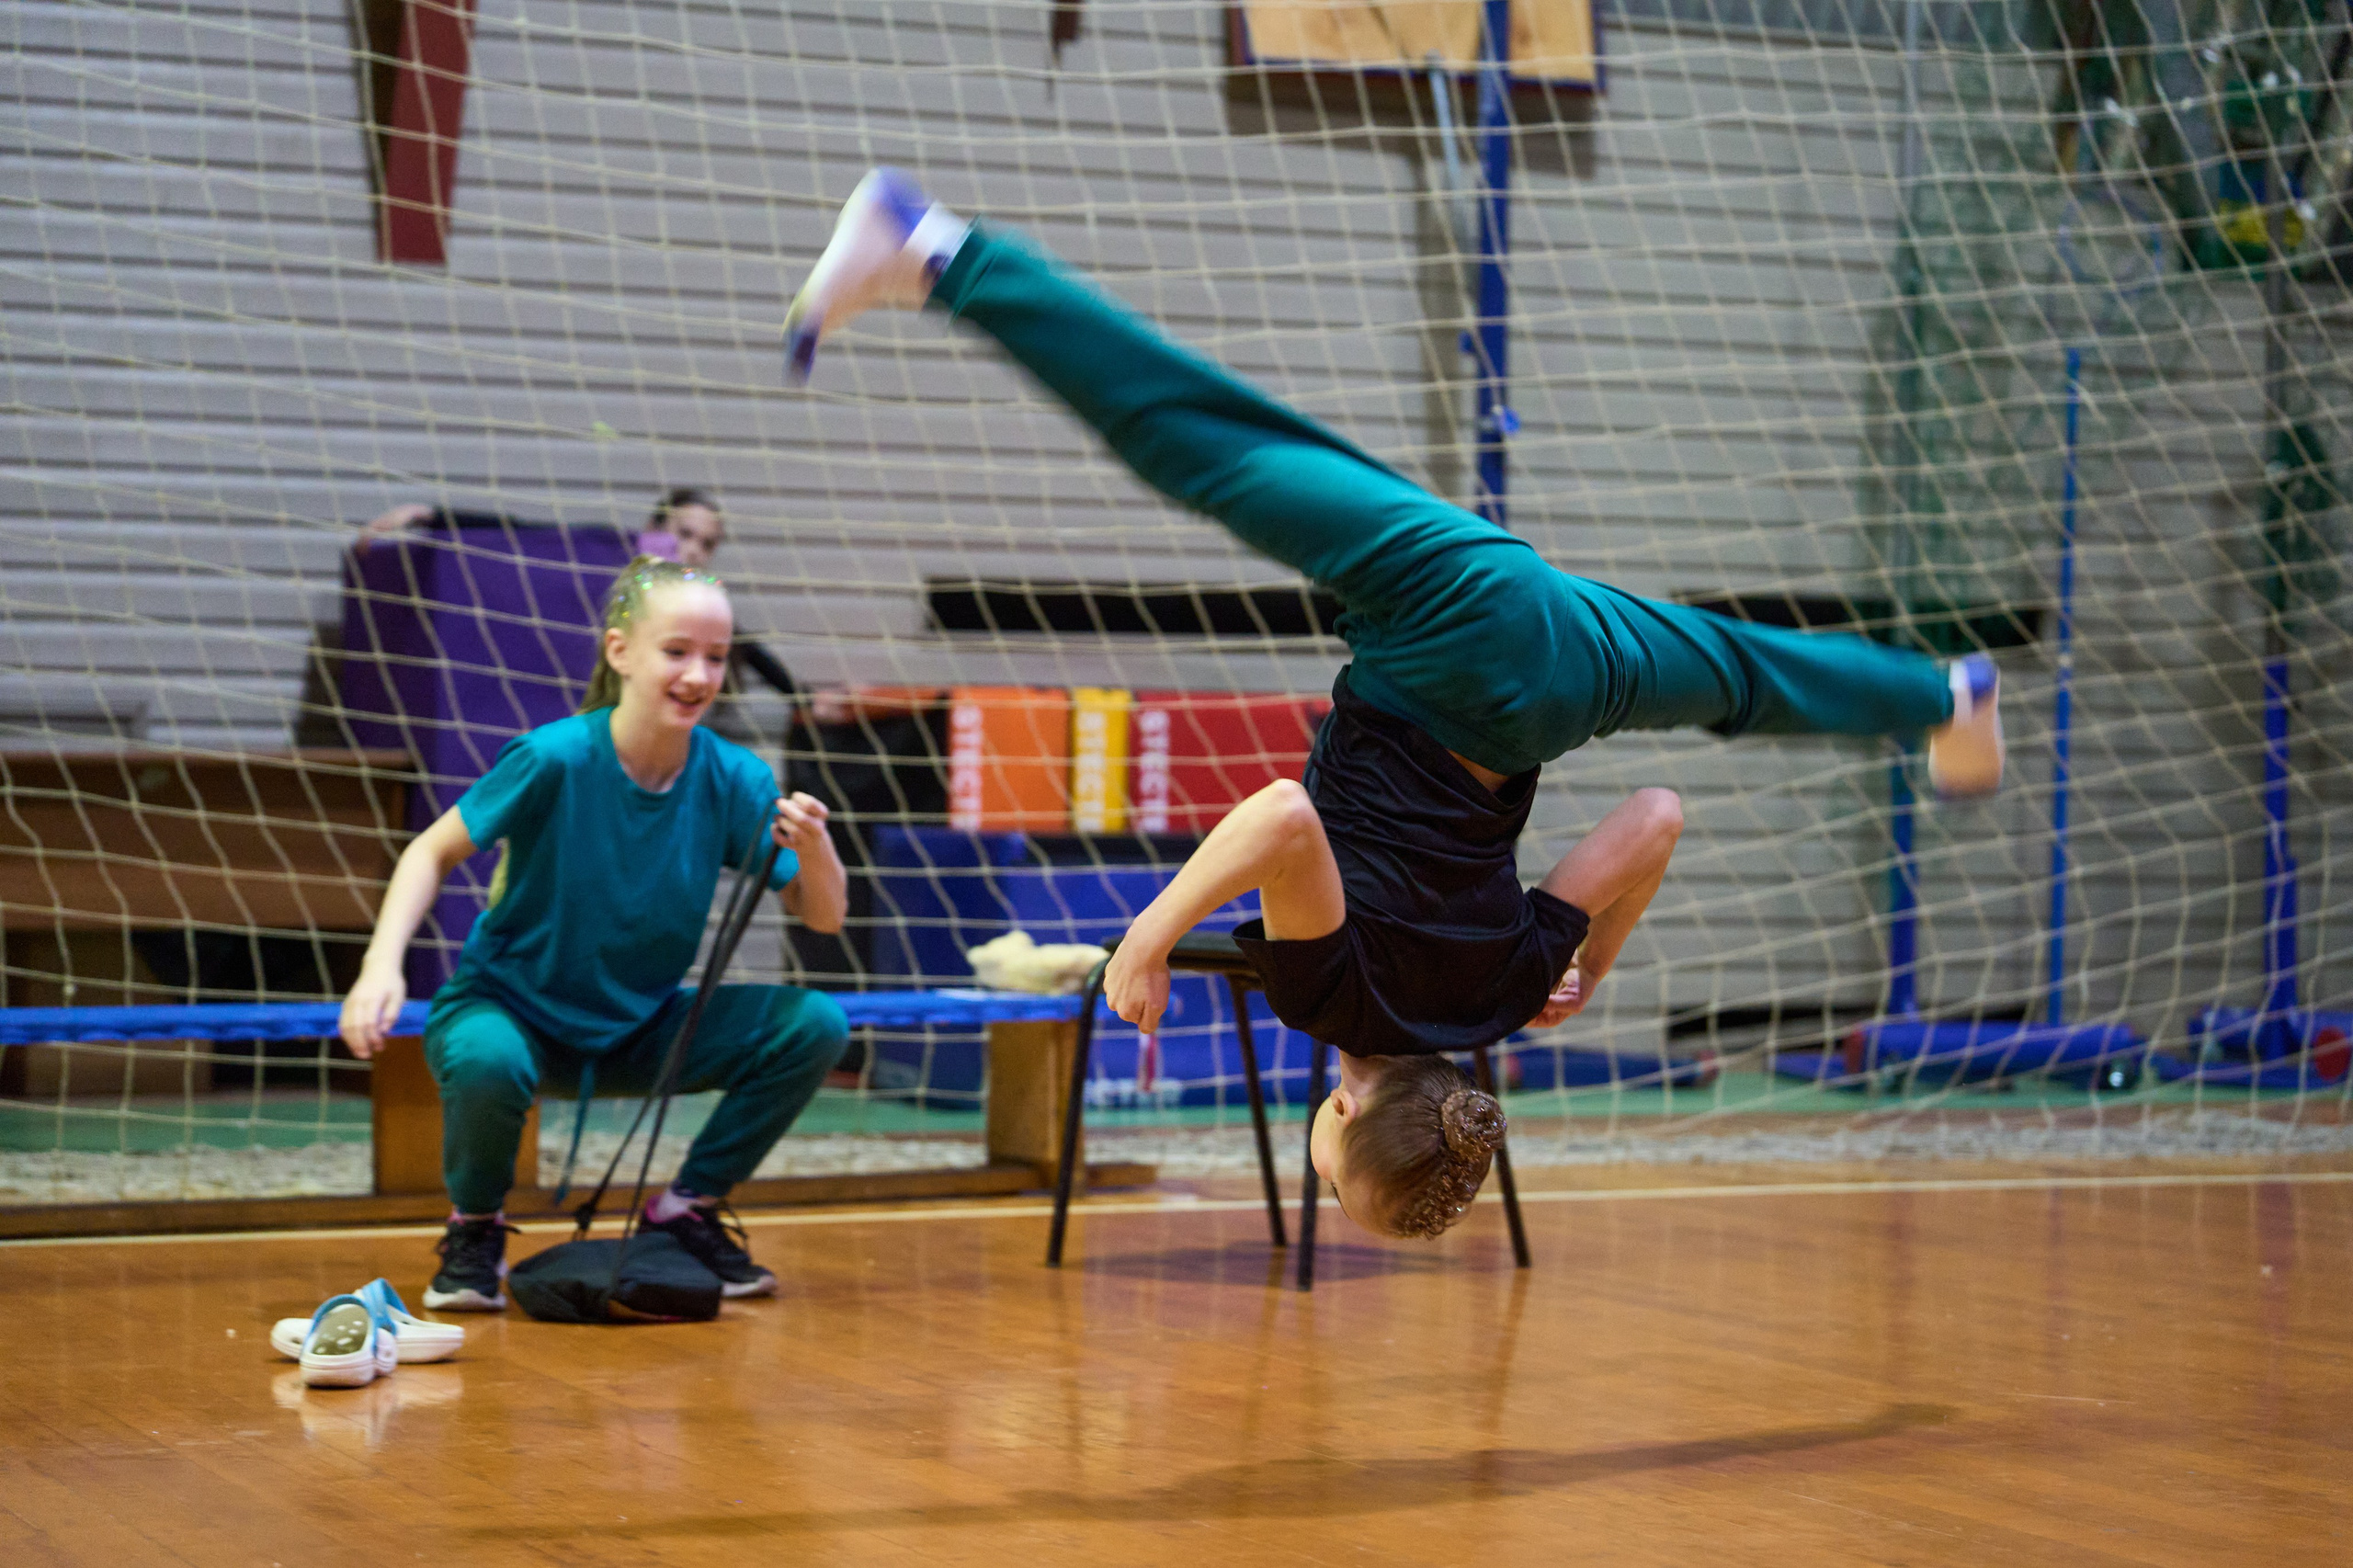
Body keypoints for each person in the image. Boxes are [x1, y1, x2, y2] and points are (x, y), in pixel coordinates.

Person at [780, 169, 2006, 1242]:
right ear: (1349, 1109)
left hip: (1558, 683)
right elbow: (1278, 818)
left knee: (1742, 676)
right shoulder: (1332, 1002)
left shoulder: (1504, 1005)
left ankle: (1944, 693)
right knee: (1201, 446)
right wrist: (1146, 939)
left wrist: (1590, 960)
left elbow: (1657, 810)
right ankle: (932, 244)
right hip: (1447, 641)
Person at [338, 557, 851, 1309]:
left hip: (639, 1028)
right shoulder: (554, 757)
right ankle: (475, 1225)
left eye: (715, 657)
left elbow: (824, 915)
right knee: (485, 1059)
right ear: (619, 653)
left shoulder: (734, 776)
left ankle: (686, 1208)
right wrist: (379, 968)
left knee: (815, 1024)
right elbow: (430, 849)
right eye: (676, 651)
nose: (698, 674)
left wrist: (816, 846)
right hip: (512, 1014)